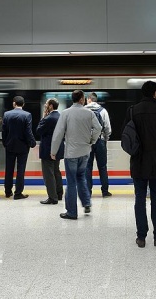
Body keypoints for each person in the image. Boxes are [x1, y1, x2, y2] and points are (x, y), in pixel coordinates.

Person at [124, 81, 156, 247]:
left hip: (138, 162)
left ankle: (141, 237)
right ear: (155, 93)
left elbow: (127, 136)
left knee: (139, 199)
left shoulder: (132, 111)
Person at [51, 90, 102, 220]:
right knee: (81, 178)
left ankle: (72, 212)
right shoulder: (89, 113)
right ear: (81, 99)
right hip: (85, 152)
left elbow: (58, 134)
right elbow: (98, 128)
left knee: (72, 181)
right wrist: (92, 140)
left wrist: (53, 151)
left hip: (71, 154)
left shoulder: (66, 113)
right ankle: (86, 203)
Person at [2, 96, 36, 200]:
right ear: (23, 104)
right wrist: (32, 143)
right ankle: (18, 193)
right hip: (23, 147)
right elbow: (28, 132)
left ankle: (8, 191)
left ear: (14, 103)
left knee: (9, 169)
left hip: (10, 146)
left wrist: (5, 143)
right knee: (21, 170)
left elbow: (4, 131)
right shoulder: (27, 115)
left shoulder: (7, 114)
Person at [85, 92, 113, 198]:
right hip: (100, 141)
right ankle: (105, 191)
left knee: (88, 167)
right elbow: (108, 128)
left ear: (89, 100)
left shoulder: (84, 111)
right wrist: (105, 139)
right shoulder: (103, 111)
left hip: (87, 142)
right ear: (95, 100)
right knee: (102, 167)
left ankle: (88, 191)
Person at [37, 98, 64, 205]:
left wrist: (44, 116)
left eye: (46, 104)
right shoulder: (61, 116)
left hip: (48, 149)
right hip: (58, 148)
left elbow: (38, 130)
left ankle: (53, 197)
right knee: (56, 171)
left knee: (48, 174)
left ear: (51, 106)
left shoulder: (48, 118)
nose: (45, 106)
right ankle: (59, 194)